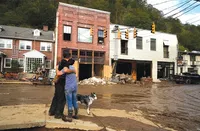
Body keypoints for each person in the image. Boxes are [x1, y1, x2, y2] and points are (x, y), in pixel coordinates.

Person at [48, 49, 75, 119]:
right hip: (62, 81)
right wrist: (73, 71)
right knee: (62, 98)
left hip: (58, 81)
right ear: (69, 56)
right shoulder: (65, 62)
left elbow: (57, 69)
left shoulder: (61, 62)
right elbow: (65, 70)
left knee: (56, 97)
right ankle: (58, 114)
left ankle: (52, 111)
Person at [57, 52, 78, 122]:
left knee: (69, 101)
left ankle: (69, 117)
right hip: (75, 86)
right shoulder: (74, 67)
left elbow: (59, 73)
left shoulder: (66, 67)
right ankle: (76, 115)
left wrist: (57, 68)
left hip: (68, 87)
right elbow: (76, 75)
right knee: (74, 100)